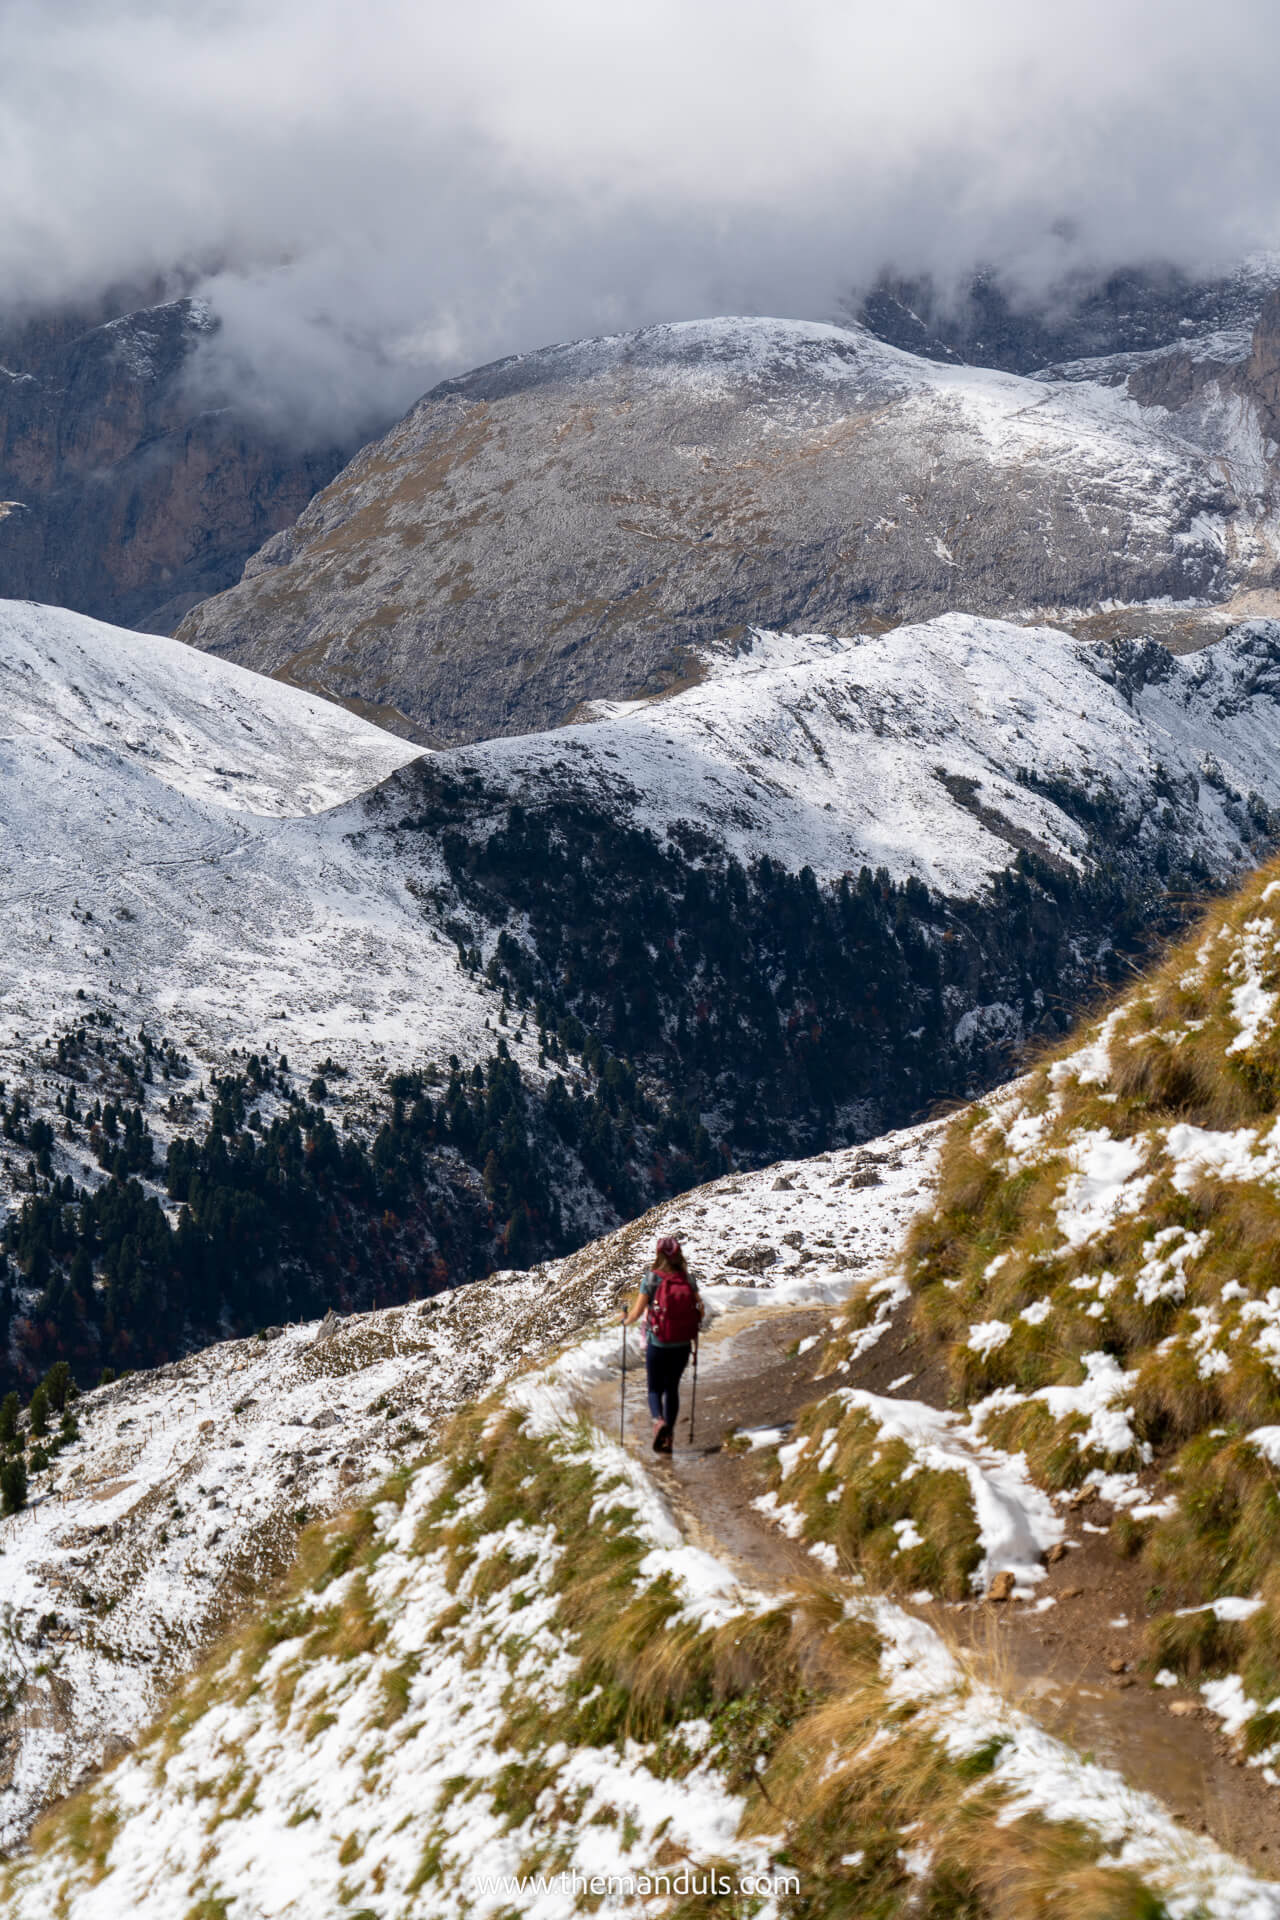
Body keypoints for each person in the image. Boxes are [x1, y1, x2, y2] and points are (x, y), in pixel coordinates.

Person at [623, 1234, 703, 1453]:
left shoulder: (651, 1279)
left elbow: (637, 1311)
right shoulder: (687, 1279)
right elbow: (700, 1309)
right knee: (672, 1389)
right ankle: (669, 1438)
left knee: (654, 1388)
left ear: (658, 1254)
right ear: (678, 1255)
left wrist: (625, 1320)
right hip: (683, 1344)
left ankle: (659, 1421)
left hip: (657, 1343)